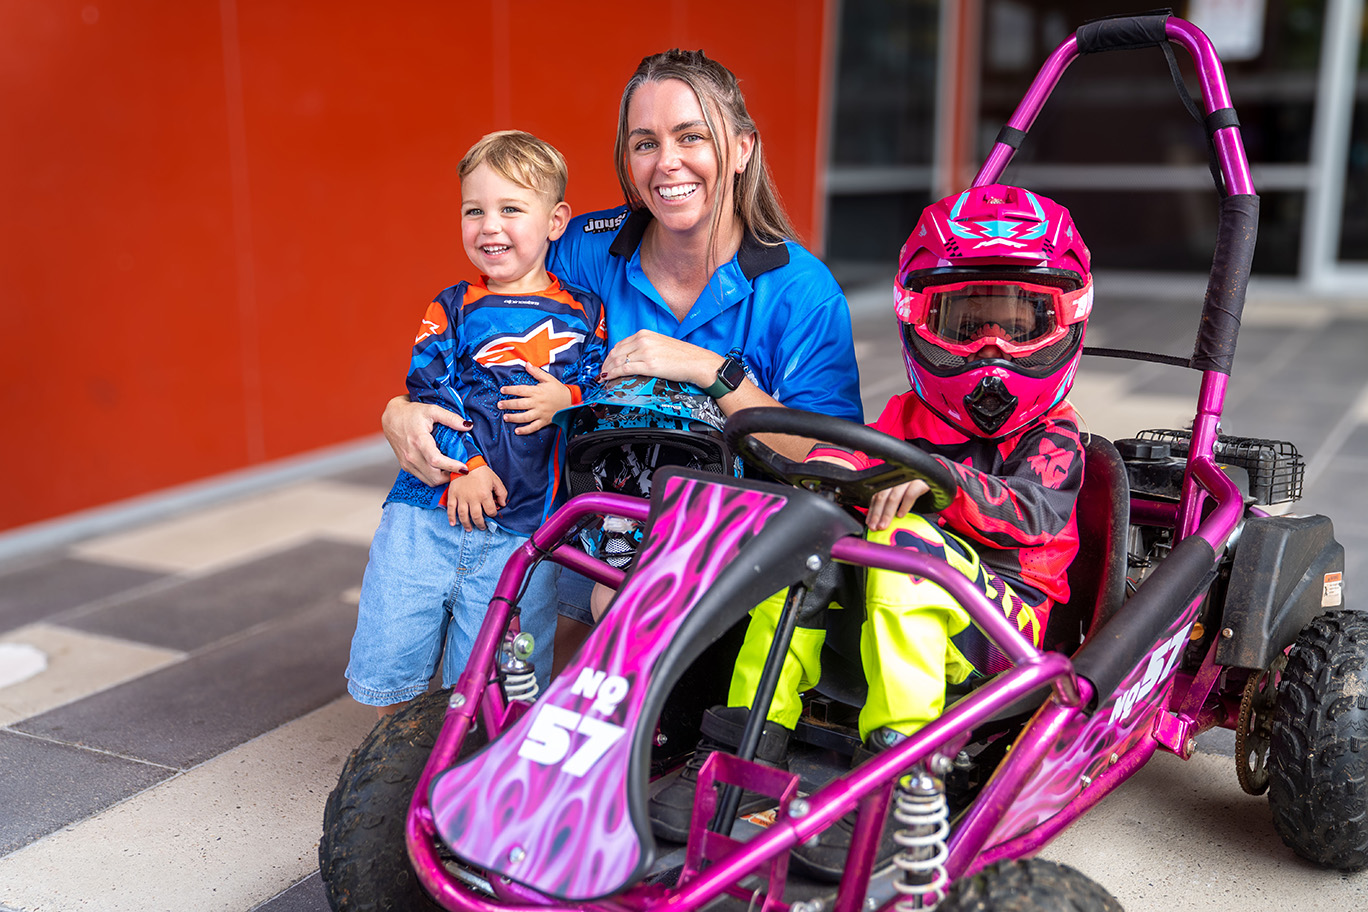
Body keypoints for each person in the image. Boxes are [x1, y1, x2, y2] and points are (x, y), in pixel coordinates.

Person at [648, 184, 1092, 879]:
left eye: (1017, 322)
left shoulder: (1055, 437)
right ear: (919, 319)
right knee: (796, 541)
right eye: (964, 321)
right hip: (896, 598)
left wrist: (948, 485)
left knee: (906, 547)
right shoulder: (908, 416)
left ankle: (897, 778)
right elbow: (851, 454)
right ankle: (741, 745)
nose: (990, 348)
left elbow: (1030, 512)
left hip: (1005, 632)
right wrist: (817, 471)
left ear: (1064, 320)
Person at [380, 50, 865, 664]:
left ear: (742, 149)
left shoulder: (802, 289)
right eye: (645, 142)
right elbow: (473, 330)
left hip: (732, 538)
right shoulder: (583, 248)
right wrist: (400, 409)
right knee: (466, 687)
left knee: (614, 624)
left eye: (691, 136)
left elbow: (832, 461)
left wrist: (711, 372)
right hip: (583, 518)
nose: (667, 163)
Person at [345, 130, 607, 717]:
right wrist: (468, 466)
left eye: (510, 209)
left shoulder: (586, 314)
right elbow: (430, 389)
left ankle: (472, 773)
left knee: (496, 681)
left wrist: (566, 397)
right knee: (396, 654)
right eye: (474, 210)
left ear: (556, 221)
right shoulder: (454, 305)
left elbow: (603, 385)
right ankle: (394, 764)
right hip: (426, 515)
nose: (489, 226)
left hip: (522, 531)